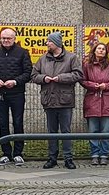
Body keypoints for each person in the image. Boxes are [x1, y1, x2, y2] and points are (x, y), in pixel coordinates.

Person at [33, 31, 83, 169]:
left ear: (56, 43)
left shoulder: (71, 58)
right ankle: (52, 158)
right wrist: (44, 78)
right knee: (51, 131)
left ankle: (68, 158)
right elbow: (34, 75)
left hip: (65, 100)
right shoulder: (43, 59)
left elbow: (78, 74)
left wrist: (61, 78)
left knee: (66, 131)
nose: (47, 43)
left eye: (49, 41)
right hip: (48, 100)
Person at [0, 28, 33, 166]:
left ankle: (18, 153)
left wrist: (15, 81)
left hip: (17, 93)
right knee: (2, 123)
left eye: (9, 38)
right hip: (0, 94)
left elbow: (28, 72)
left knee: (18, 123)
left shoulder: (23, 53)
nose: (6, 41)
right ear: (0, 39)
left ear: (14, 39)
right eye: (3, 38)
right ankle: (6, 153)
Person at [81, 41, 109, 166]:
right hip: (92, 100)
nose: (101, 50)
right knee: (93, 130)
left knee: (106, 130)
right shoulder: (87, 65)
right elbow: (83, 80)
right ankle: (95, 154)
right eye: (99, 49)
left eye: (103, 49)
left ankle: (104, 154)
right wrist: (94, 86)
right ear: (94, 51)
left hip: (108, 101)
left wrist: (106, 86)